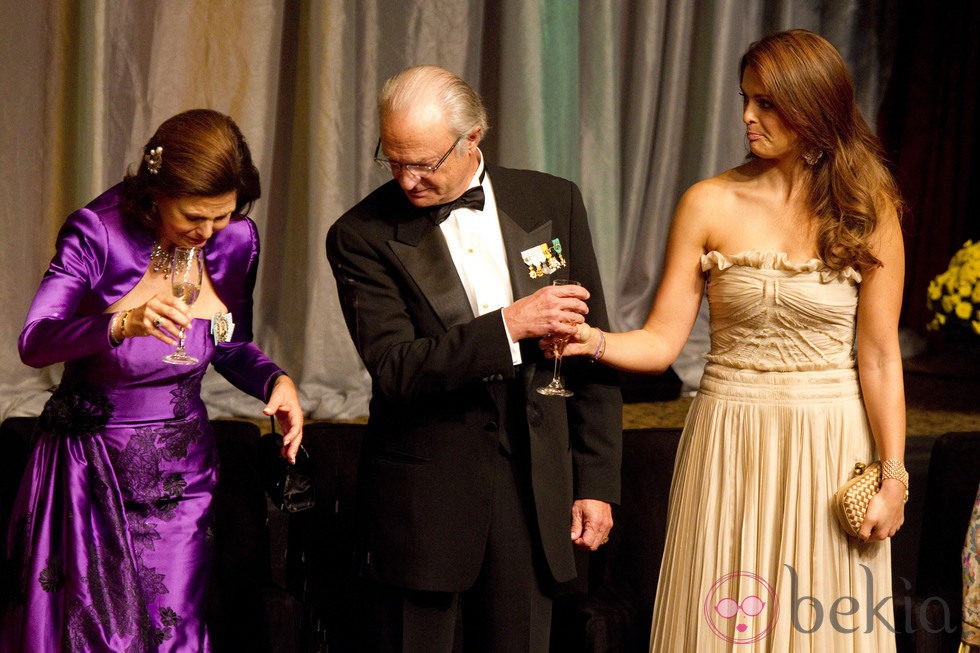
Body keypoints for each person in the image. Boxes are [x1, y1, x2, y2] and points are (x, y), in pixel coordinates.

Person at [556, 29, 906, 650]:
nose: (747, 116)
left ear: (816, 105)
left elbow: (879, 356)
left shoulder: (867, 206)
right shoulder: (708, 202)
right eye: (746, 98)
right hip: (728, 436)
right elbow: (663, 341)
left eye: (767, 102)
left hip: (828, 440)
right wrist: (594, 341)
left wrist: (894, 476)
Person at [326, 65, 622, 651]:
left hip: (534, 490)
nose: (407, 181)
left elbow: (592, 349)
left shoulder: (552, 198)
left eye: (424, 163)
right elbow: (397, 369)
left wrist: (595, 480)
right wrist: (509, 326)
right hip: (427, 497)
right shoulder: (360, 233)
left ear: (473, 139)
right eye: (392, 160)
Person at [0, 109, 303, 651]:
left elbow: (229, 343)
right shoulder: (98, 232)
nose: (207, 233)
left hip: (181, 474)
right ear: (155, 192)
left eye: (223, 216)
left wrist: (274, 382)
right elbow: (35, 341)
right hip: (92, 469)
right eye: (193, 216)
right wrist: (119, 324)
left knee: (175, 631)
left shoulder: (236, 241)